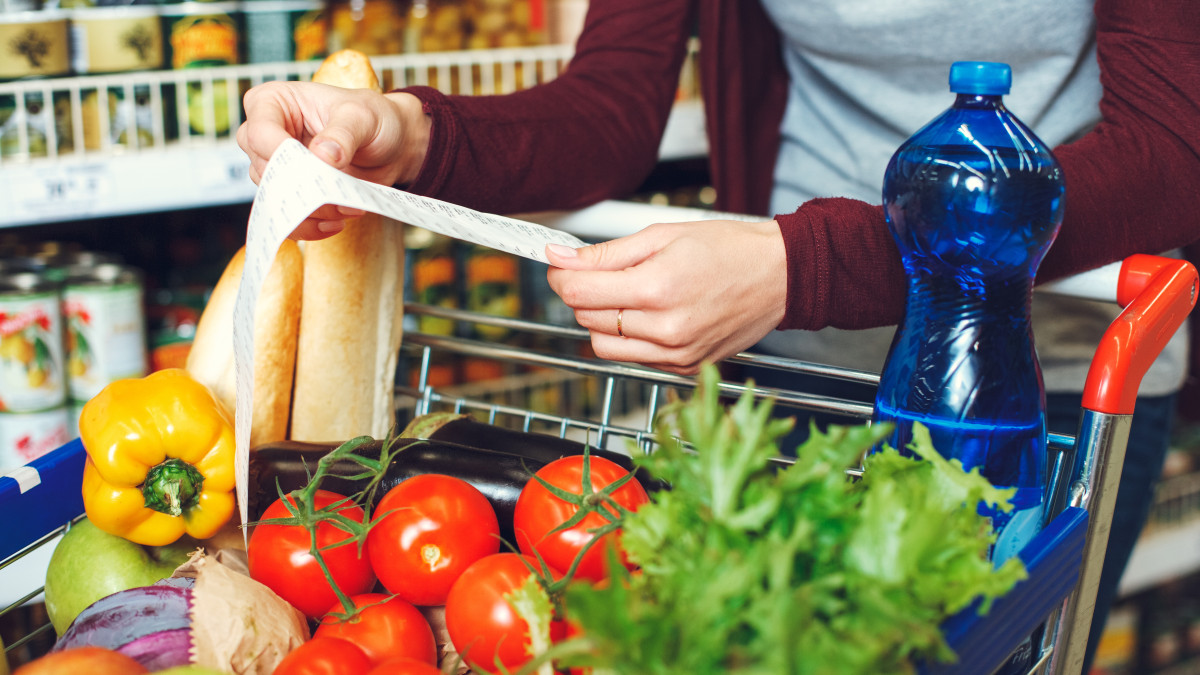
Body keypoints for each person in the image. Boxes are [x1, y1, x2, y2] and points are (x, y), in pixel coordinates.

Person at [237, 0, 1200, 671]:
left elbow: (1171, 145)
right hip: (795, 379)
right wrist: (406, 133)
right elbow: (611, 104)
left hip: (1039, 390)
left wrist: (808, 265)